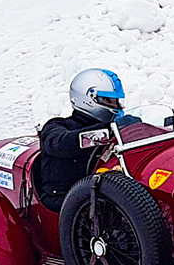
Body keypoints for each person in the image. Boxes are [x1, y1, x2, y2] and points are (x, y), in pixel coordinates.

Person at [36, 69, 139, 212]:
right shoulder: (57, 126)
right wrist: (108, 130)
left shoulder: (116, 127)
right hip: (66, 200)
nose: (116, 106)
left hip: (104, 192)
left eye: (117, 101)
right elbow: (60, 144)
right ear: (89, 99)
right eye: (109, 100)